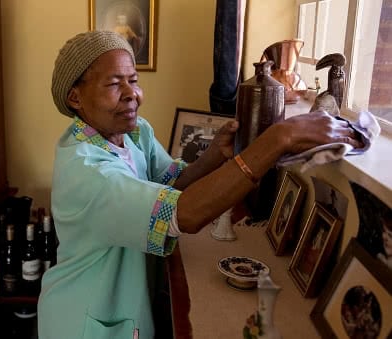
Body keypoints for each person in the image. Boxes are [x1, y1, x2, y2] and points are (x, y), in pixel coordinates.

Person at [38, 30, 362, 339]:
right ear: (75, 97)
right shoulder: (85, 169)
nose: (131, 94)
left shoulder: (134, 132)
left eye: (134, 81)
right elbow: (184, 214)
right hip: (84, 316)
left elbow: (170, 182)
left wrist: (213, 158)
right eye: (113, 83)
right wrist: (280, 138)